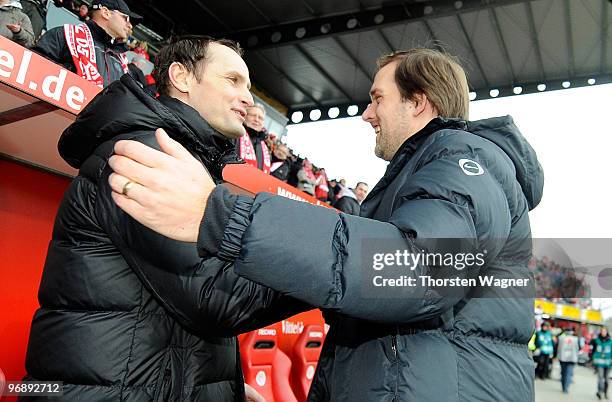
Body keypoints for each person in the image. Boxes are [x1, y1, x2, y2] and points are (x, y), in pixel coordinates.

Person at [108, 48, 543, 401]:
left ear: (418, 100)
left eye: (378, 98)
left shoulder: (464, 158)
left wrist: (225, 216)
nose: (367, 114)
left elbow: (416, 270)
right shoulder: (421, 174)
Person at [24, 35, 308, 401]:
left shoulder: (179, 157)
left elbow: (177, 312)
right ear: (181, 77)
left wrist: (227, 387)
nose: (248, 99)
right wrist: (322, 264)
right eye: (232, 80)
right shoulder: (142, 154)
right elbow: (217, 298)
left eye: (248, 86)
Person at [33, 0, 141, 87]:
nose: (130, 25)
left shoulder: (120, 59)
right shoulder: (65, 35)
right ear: (105, 13)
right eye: (126, 18)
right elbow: (33, 70)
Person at [238, 103, 271, 173]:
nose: (256, 120)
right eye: (253, 115)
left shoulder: (265, 147)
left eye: (260, 118)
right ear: (245, 116)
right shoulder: (235, 134)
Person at [557, 327, 579, 393]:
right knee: (568, 373)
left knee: (563, 372)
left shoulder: (561, 338)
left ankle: (564, 386)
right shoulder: (576, 339)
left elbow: (557, 347)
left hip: (562, 358)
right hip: (572, 358)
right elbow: (579, 348)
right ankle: (566, 387)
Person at [592, 327, 612, 399]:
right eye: (602, 331)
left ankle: (606, 392)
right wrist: (593, 359)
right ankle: (600, 392)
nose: (603, 332)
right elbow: (593, 351)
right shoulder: (596, 341)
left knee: (606, 379)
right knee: (600, 377)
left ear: (607, 332)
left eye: (605, 331)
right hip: (599, 363)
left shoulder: (610, 342)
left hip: (608, 363)